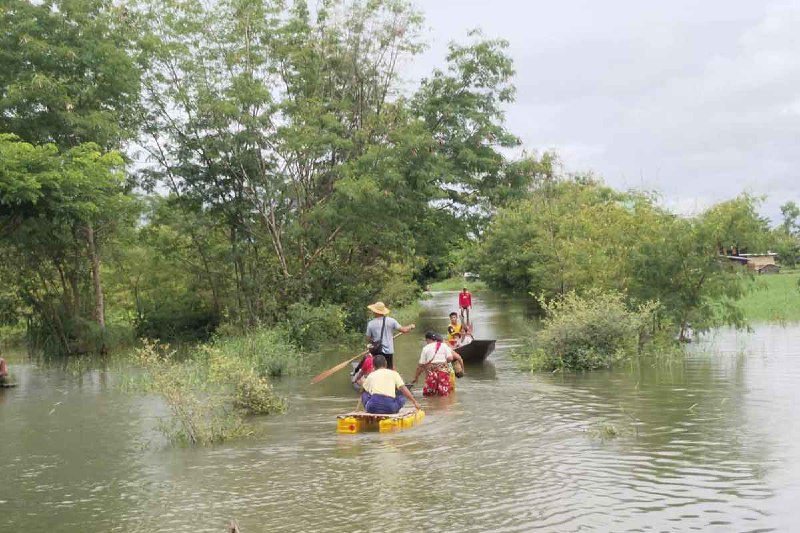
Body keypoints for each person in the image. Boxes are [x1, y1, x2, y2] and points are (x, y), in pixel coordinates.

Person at [409, 332, 465, 397]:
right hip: (443, 373)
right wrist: (443, 363)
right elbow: (450, 358)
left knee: (430, 395)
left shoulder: (426, 348)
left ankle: (432, 406)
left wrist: (416, 377)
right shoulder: (444, 346)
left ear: (427, 339)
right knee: (444, 395)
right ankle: (446, 406)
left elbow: (420, 366)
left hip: (431, 375)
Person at [364, 301, 415, 370]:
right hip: (388, 351)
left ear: (375, 312)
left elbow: (368, 339)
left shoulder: (371, 323)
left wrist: (372, 343)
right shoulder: (391, 321)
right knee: (389, 369)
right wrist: (411, 326)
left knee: (378, 370)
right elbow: (404, 330)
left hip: (377, 351)